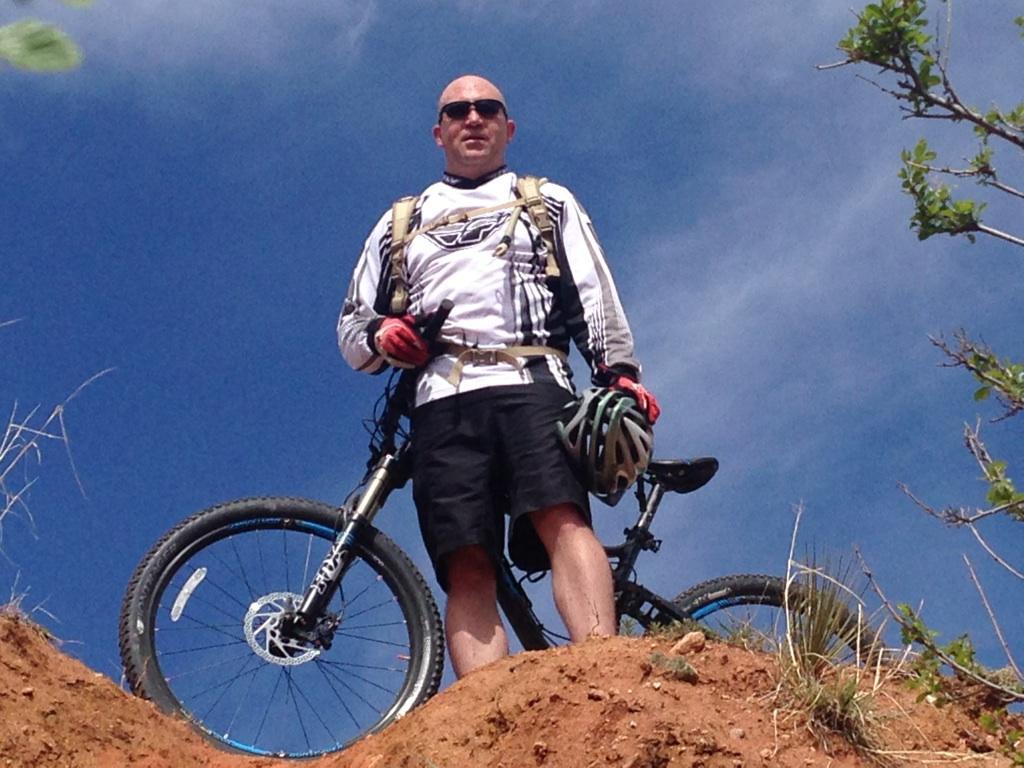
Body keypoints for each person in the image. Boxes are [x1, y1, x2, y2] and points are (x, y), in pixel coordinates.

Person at [337, 74, 660, 678]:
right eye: (458, 111)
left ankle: (606, 673)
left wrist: (618, 373)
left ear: (508, 128)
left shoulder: (546, 200)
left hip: (533, 380)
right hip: (441, 398)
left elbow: (593, 293)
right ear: (439, 133)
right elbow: (353, 330)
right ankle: (488, 715)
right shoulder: (400, 221)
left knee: (561, 515)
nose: (473, 118)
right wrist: (383, 336)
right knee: (465, 559)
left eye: (488, 109)